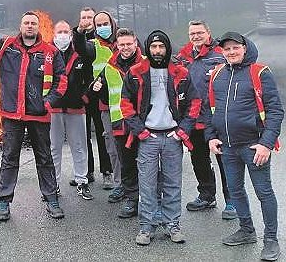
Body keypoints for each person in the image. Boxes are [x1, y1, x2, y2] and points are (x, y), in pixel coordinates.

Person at [0, 12, 67, 221]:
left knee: (44, 158)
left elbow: (61, 80)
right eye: (26, 23)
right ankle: (4, 202)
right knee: (9, 158)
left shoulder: (51, 52)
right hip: (12, 114)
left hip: (39, 116)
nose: (30, 26)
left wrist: (48, 103)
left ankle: (51, 199)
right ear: (21, 25)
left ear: (38, 26)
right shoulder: (6, 46)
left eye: (33, 23)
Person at [204, 32, 284, 261]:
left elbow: (276, 111)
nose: (231, 52)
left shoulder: (260, 73)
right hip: (227, 147)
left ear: (245, 48)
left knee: (264, 192)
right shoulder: (218, 74)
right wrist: (211, 136)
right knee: (235, 190)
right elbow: (210, 109)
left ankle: (270, 239)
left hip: (253, 147)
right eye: (226, 49)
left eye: (235, 47)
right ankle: (247, 230)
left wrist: (265, 144)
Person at [121, 30, 200, 246]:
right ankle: (146, 228)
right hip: (148, 137)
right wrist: (140, 131)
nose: (157, 51)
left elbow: (194, 103)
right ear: (148, 48)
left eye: (161, 47)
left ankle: (172, 225)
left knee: (173, 183)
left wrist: (182, 131)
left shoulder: (181, 72)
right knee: (147, 184)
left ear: (167, 48)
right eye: (154, 47)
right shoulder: (136, 72)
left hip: (173, 137)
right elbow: (125, 104)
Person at [175, 20, 236, 219]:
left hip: (217, 120)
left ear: (208, 33)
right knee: (198, 160)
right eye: (192, 33)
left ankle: (232, 200)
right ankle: (207, 195)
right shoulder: (183, 57)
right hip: (192, 119)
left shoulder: (221, 54)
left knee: (225, 161)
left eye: (200, 32)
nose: (196, 36)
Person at [89, 28, 146, 218]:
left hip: (143, 122)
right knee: (126, 163)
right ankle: (132, 199)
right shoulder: (110, 66)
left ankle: (151, 201)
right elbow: (101, 92)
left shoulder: (147, 63)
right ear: (117, 46)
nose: (125, 48)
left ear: (135, 43)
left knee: (149, 163)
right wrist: (96, 88)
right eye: (121, 45)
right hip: (120, 122)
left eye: (129, 44)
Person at [48, 20, 93, 200]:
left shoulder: (81, 53)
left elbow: (89, 78)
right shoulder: (47, 53)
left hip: (76, 108)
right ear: (53, 33)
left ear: (71, 34)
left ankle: (82, 181)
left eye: (66, 31)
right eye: (59, 31)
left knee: (80, 146)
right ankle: (53, 184)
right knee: (53, 148)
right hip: (54, 109)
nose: (62, 35)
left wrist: (84, 98)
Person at [82, 10, 118, 189]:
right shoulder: (90, 43)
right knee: (92, 138)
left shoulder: (123, 42)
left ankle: (109, 172)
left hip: (118, 100)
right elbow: (81, 49)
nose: (103, 27)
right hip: (93, 96)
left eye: (106, 24)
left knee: (114, 142)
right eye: (100, 25)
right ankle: (88, 172)